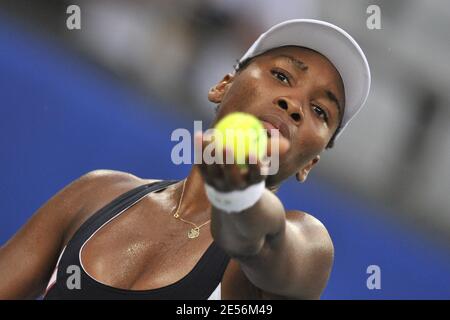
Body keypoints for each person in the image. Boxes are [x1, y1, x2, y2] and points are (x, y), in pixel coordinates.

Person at [0, 19, 370, 299]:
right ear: (223, 85)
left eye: (320, 111)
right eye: (281, 75)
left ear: (310, 163)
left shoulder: (308, 244)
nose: (294, 105)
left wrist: (237, 196)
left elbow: (259, 239)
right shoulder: (96, 193)